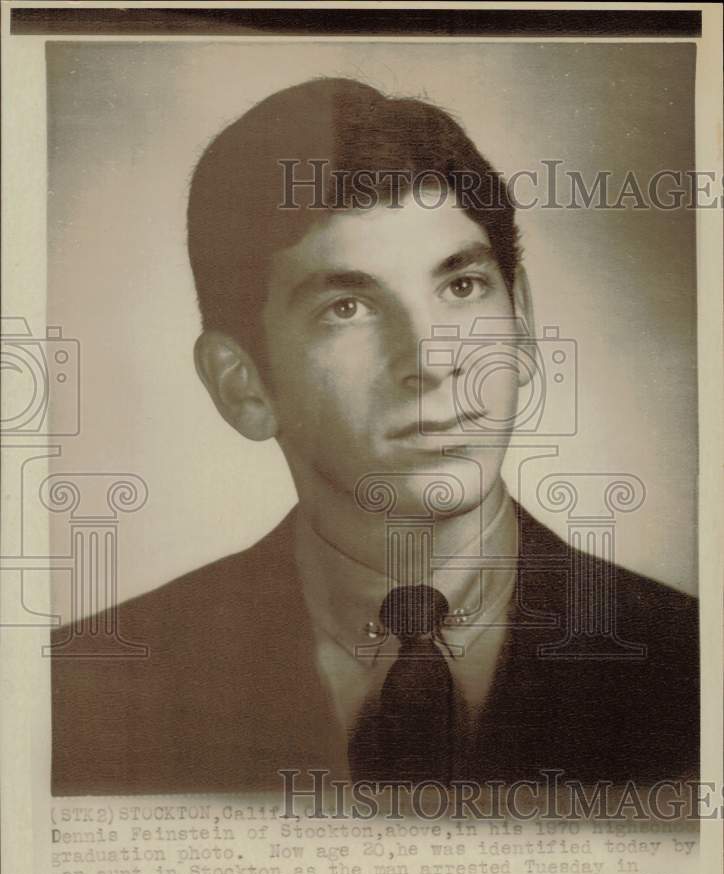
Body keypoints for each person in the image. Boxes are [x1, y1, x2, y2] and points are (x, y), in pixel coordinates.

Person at [51, 78, 698, 795]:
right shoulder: (84, 694)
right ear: (244, 386)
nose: (430, 361)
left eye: (461, 287)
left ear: (523, 321)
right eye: (348, 306)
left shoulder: (692, 664)